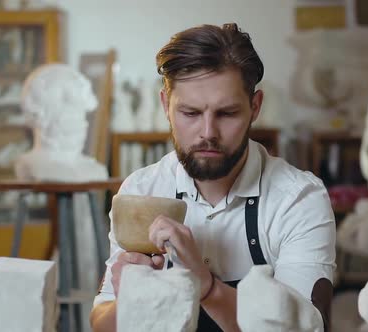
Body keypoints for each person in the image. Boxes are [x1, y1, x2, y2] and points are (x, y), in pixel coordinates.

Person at [90, 23, 336, 332]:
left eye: (227, 113)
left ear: (255, 107)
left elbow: (308, 328)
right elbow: (101, 321)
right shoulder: (142, 190)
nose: (208, 133)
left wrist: (205, 287)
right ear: (166, 107)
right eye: (190, 113)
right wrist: (129, 298)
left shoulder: (298, 198)